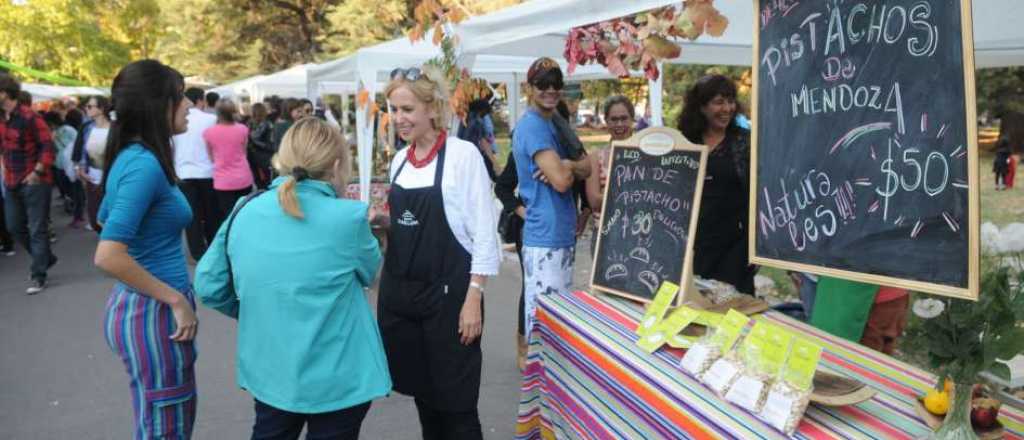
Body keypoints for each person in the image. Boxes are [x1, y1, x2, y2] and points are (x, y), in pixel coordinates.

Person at [195, 118, 389, 438]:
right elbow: (368, 272)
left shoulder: (245, 209)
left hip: (271, 366)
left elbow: (210, 285)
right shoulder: (350, 217)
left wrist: (257, 308)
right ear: (337, 164)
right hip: (338, 371)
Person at [378, 65, 499, 440]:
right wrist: (385, 225)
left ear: (432, 109)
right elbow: (407, 227)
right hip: (402, 298)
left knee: (458, 406)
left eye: (407, 109)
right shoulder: (399, 161)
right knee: (424, 399)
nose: (399, 119)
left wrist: (473, 296)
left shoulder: (462, 156)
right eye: (394, 110)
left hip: (449, 299)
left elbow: (483, 231)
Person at [93, 59, 198, 439]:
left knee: (162, 421)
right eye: (180, 97)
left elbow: (105, 217)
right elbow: (107, 254)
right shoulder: (142, 164)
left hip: (143, 310)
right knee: (165, 427)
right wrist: (174, 299)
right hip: (151, 314)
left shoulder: (135, 157)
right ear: (158, 105)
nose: (188, 105)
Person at [512, 57, 591, 338]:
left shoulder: (555, 122)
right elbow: (561, 182)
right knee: (546, 330)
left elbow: (587, 166)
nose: (550, 90)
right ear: (529, 87)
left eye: (555, 84)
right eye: (542, 84)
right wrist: (568, 170)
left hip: (560, 235)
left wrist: (568, 165)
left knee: (558, 327)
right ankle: (537, 382)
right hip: (544, 237)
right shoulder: (532, 126)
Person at [677, 74, 756, 294]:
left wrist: (753, 250)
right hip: (696, 245)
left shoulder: (746, 142)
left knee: (733, 309)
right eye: (719, 102)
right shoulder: (686, 141)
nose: (727, 108)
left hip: (736, 246)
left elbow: (760, 196)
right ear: (701, 107)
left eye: (730, 101)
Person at [0, 72, 57, 294]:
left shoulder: (30, 117)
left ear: (4, 93)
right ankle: (46, 258)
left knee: (37, 229)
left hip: (35, 181)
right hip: (11, 181)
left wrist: (37, 172)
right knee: (14, 226)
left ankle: (38, 275)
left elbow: (47, 146)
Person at [585, 95, 635, 255]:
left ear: (632, 120)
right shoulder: (595, 157)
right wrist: (636, 196)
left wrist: (610, 196)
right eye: (614, 119)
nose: (619, 124)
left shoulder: (648, 155)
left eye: (624, 118)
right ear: (606, 121)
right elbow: (594, 200)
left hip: (640, 236)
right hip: (605, 236)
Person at [173, 87, 218, 261]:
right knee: (211, 213)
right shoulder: (211, 119)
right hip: (207, 171)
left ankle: (196, 252)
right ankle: (214, 248)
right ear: (201, 100)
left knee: (192, 214)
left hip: (183, 171)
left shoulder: (176, 120)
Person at [493, 150, 528, 370]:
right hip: (530, 231)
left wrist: (581, 212)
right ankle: (524, 345)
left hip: (561, 230)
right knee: (530, 285)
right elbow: (502, 187)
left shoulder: (567, 146)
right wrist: (522, 211)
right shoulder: (522, 149)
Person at [203, 99, 253, 230]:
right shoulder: (243, 129)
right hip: (243, 177)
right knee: (244, 213)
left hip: (223, 181)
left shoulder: (209, 132)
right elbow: (244, 152)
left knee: (228, 217)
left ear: (217, 113)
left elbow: (211, 157)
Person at [72, 95, 113, 232]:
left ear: (101, 108)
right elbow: (79, 151)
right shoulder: (86, 127)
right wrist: (79, 168)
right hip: (92, 177)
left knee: (113, 216)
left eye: (90, 106)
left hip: (112, 177)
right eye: (86, 106)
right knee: (95, 217)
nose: (86, 109)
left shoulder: (115, 128)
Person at [456, 98, 499, 180]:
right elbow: (483, 142)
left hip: (461, 154)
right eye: (485, 112)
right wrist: (495, 163)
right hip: (471, 154)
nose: (485, 115)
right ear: (482, 110)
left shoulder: (465, 118)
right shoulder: (477, 121)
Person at [247, 102, 275, 189]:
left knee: (259, 180)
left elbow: (253, 137)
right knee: (265, 181)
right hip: (264, 155)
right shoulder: (268, 123)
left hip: (255, 155)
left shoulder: (250, 123)